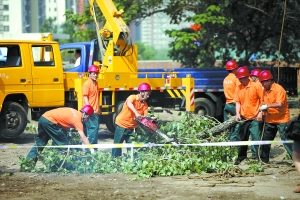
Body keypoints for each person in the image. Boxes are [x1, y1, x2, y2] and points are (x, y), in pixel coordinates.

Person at [26, 105, 95, 164]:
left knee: (40, 142)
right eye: (88, 118)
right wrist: (91, 149)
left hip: (43, 118)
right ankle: (61, 165)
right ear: (85, 115)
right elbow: (83, 137)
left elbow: (63, 122)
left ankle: (28, 163)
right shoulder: (78, 120)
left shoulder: (75, 112)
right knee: (63, 144)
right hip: (50, 122)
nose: (88, 120)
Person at [258, 70, 293, 163]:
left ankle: (296, 159)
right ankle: (263, 160)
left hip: (282, 119)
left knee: (286, 140)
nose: (262, 84)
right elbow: (263, 102)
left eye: (263, 82)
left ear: (269, 81)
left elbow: (279, 103)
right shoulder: (264, 90)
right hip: (270, 119)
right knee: (265, 141)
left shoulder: (279, 89)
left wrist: (267, 106)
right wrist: (261, 111)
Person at [233, 66, 263, 165]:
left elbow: (263, 100)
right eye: (239, 78)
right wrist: (237, 114)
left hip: (254, 117)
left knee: (256, 137)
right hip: (244, 118)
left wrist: (260, 112)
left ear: (247, 77)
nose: (240, 80)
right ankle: (241, 157)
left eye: (241, 78)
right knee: (242, 138)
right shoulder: (239, 88)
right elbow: (238, 102)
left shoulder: (256, 86)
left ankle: (259, 157)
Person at [112, 82, 151, 157]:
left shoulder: (145, 105)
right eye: (147, 94)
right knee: (117, 146)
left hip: (132, 128)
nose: (148, 96)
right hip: (121, 125)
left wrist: (150, 120)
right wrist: (136, 113)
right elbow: (129, 103)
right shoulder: (132, 97)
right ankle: (115, 161)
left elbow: (146, 117)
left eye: (149, 94)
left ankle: (131, 164)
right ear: (142, 93)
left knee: (132, 148)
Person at [82, 65, 100, 145]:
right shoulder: (87, 84)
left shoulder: (96, 83)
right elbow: (85, 96)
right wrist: (89, 110)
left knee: (90, 130)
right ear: (89, 73)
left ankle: (87, 149)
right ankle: (92, 150)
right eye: (94, 73)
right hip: (91, 112)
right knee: (93, 130)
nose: (96, 75)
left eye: (97, 73)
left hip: (95, 111)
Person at [223, 60, 239, 141]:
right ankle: (233, 142)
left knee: (227, 126)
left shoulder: (225, 79)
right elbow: (239, 91)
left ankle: (227, 144)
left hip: (227, 105)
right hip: (234, 105)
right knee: (238, 125)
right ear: (233, 69)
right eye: (236, 68)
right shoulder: (236, 79)